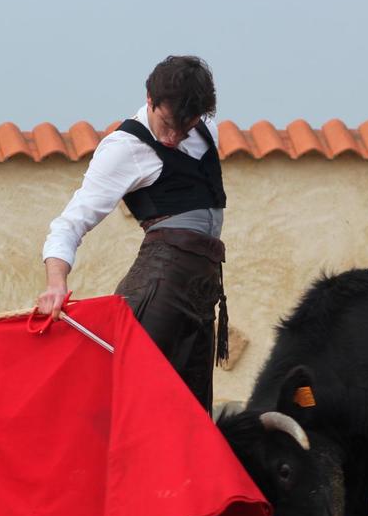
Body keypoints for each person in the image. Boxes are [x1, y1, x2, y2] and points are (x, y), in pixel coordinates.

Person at [36, 55, 228, 413]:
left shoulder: (207, 132)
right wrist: (55, 283)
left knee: (193, 414)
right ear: (150, 99)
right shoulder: (124, 147)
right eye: (167, 123)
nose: (173, 137)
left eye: (184, 127)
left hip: (202, 291)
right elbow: (70, 223)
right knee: (136, 404)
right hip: (159, 290)